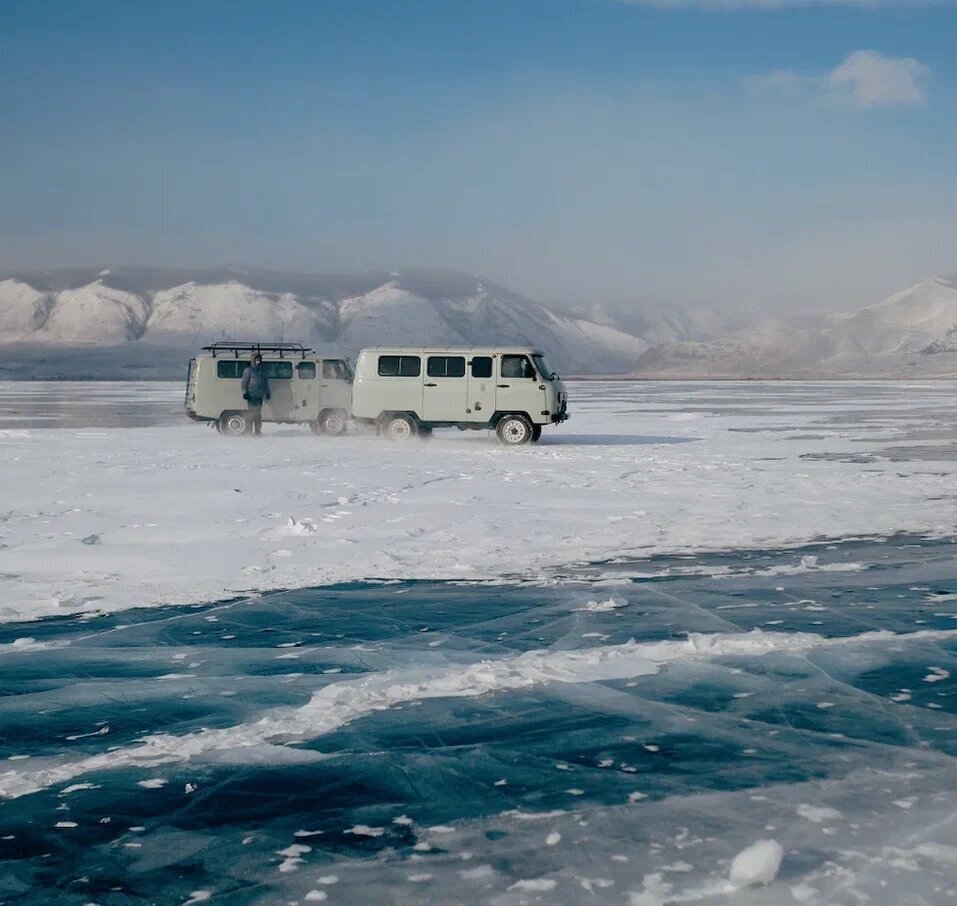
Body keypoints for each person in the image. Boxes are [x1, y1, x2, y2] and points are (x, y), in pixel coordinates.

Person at [241, 353, 270, 435]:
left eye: (259, 360)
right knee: (251, 414)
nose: (258, 361)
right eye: (257, 360)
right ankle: (249, 431)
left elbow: (265, 383)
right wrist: (245, 393)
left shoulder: (262, 370)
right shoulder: (248, 370)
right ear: (253, 360)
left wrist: (267, 393)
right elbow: (244, 383)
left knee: (258, 415)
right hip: (251, 395)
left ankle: (258, 431)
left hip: (259, 396)